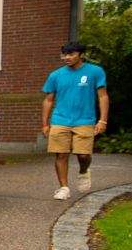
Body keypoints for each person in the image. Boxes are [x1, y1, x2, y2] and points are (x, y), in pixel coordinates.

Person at [41, 41, 109, 201]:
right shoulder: (55, 75)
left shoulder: (95, 72)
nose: (67, 57)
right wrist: (45, 123)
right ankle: (64, 188)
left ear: (81, 55)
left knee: (83, 155)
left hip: (85, 120)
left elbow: (103, 96)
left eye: (71, 54)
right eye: (64, 54)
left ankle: (84, 170)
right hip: (60, 119)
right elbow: (48, 100)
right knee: (61, 154)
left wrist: (103, 120)